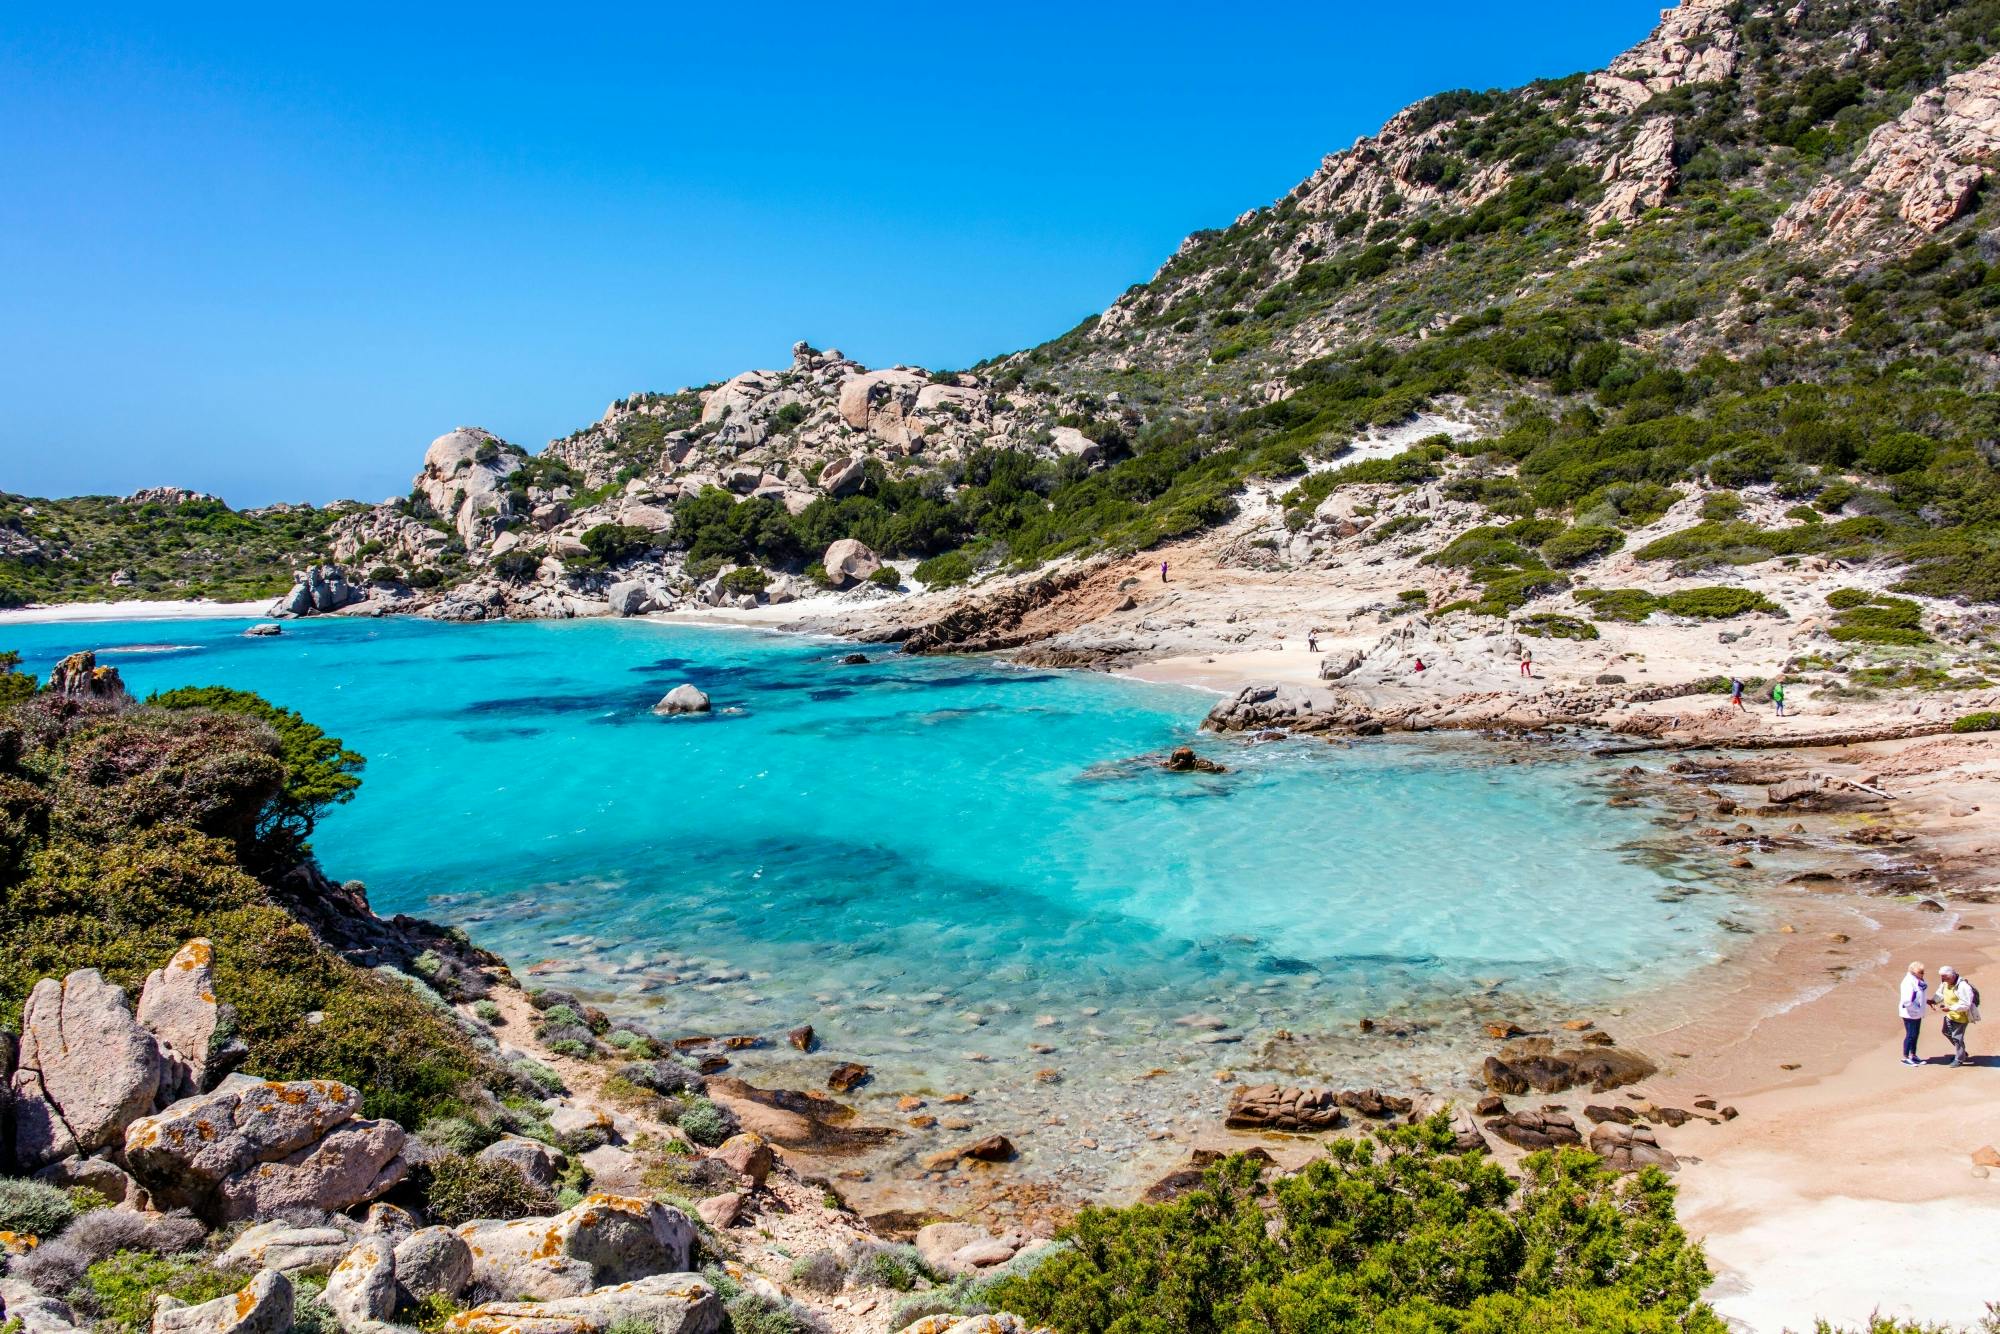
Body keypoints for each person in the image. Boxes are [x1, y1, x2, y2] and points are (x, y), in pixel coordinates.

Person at [1931, 965, 1976, 1067]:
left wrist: (1950, 1008)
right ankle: (1962, 1053)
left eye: (1945, 977)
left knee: (1957, 1037)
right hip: (1950, 1015)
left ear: (1952, 976)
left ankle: (1959, 1059)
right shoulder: (1945, 983)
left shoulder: (1963, 986)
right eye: (1942, 977)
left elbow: (1966, 1004)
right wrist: (1933, 1001)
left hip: (1961, 1017)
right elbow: (1940, 993)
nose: (1943, 979)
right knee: (1946, 1032)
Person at [1900, 961, 1928, 1065]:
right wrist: (1916, 1010)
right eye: (1921, 972)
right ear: (1914, 972)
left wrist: (1926, 1002)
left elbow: (1920, 996)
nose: (1923, 974)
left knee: (1916, 1034)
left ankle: (1913, 1055)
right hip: (1910, 1013)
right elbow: (1907, 1001)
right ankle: (1906, 1057)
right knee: (1911, 1034)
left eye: (1923, 972)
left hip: (1917, 1012)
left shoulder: (1918, 980)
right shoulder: (1908, 982)